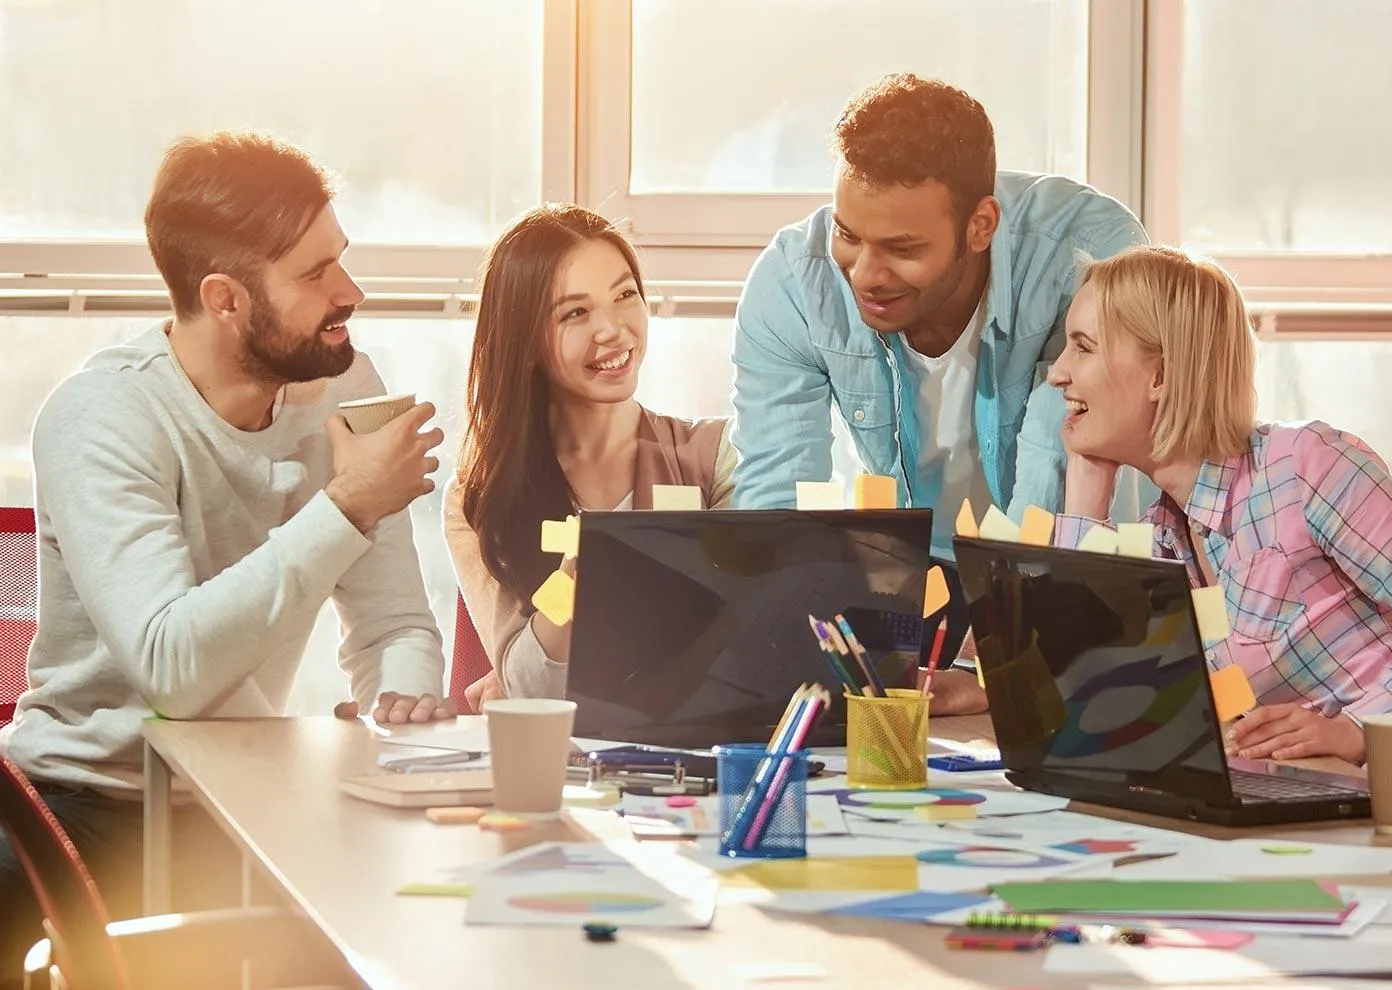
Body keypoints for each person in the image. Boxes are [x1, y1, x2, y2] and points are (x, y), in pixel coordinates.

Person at [0, 131, 453, 976]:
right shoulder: (101, 418)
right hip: (83, 807)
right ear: (226, 299)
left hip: (244, 800)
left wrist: (402, 706)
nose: (348, 292)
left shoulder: (345, 386)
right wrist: (348, 502)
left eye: (339, 261)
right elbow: (173, 666)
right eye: (315, 274)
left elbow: (394, 620)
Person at [729, 74, 1149, 712]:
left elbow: (1057, 462)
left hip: (1077, 553)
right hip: (922, 565)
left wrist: (1006, 661)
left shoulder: (1085, 258)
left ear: (981, 225)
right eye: (848, 235)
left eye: (901, 249)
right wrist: (771, 661)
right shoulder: (794, 282)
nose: (865, 274)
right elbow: (775, 506)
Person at [1046, 244, 1392, 825]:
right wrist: (1087, 488)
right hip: (1331, 811)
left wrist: (1364, 727)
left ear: (1159, 374)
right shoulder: (1167, 539)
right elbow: (1082, 713)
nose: (1059, 372)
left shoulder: (1303, 467)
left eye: (1082, 348)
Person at [445, 205, 734, 710]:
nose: (614, 330)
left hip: (695, 761)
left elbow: (748, 645)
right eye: (575, 313)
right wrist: (575, 580)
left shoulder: (714, 457)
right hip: (556, 769)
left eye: (625, 295)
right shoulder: (481, 494)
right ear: (525, 341)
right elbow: (527, 686)